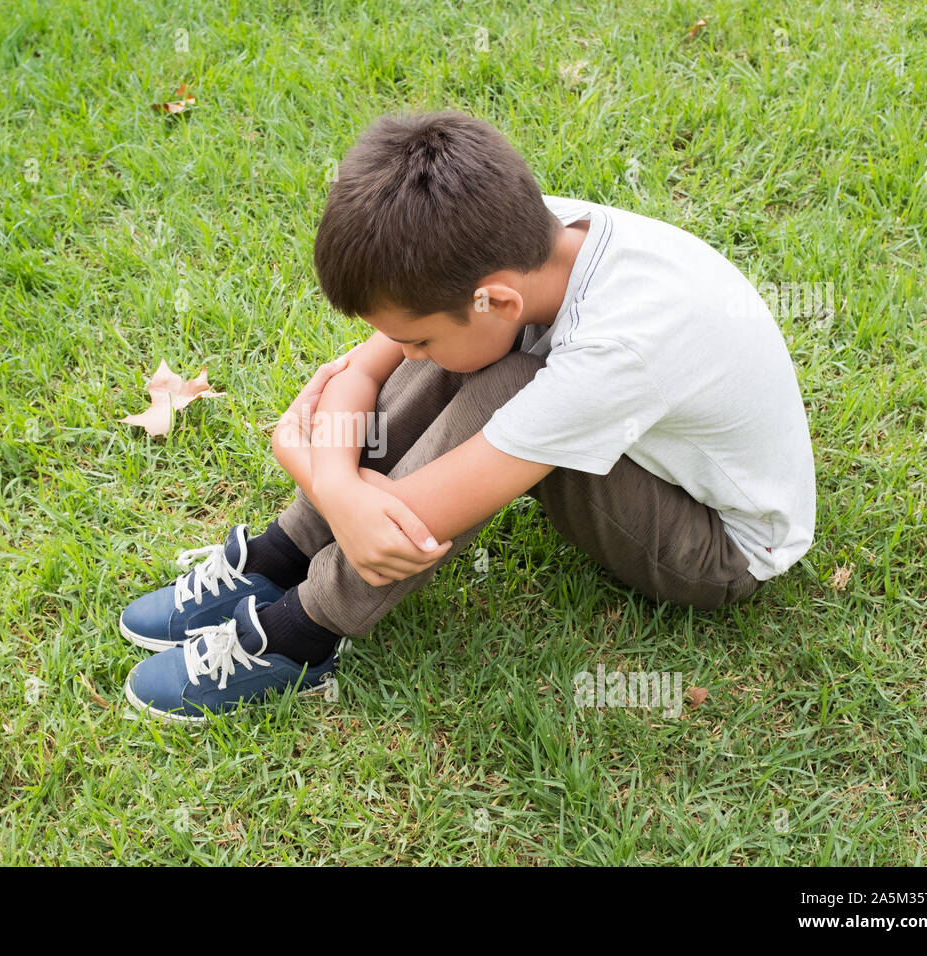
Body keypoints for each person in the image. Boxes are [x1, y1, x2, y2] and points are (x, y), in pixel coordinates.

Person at [120, 110, 816, 722]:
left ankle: (301, 635)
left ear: (499, 300)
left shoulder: (618, 349)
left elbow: (411, 522)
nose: (409, 351)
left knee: (508, 378)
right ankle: (286, 552)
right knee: (474, 360)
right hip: (634, 441)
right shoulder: (509, 241)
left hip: (716, 550)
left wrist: (302, 453)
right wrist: (332, 483)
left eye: (415, 337)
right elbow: (365, 368)